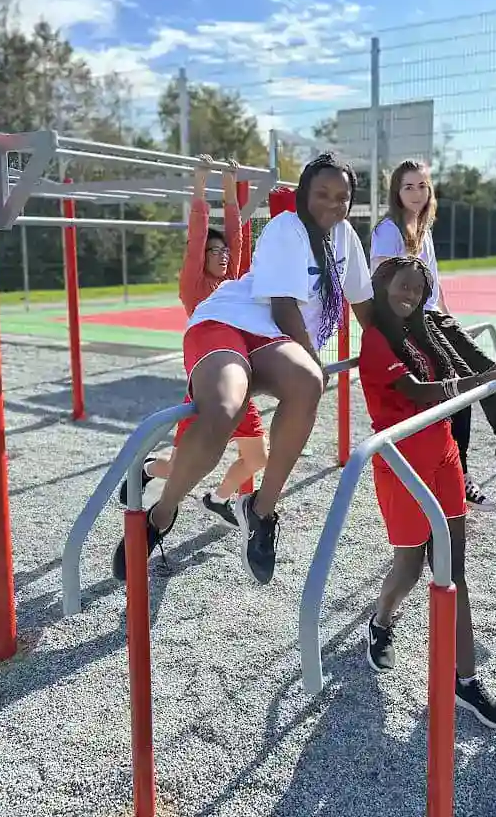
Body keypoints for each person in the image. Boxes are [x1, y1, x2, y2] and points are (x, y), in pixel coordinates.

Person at [112, 153, 373, 586]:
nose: (331, 203)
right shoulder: (285, 228)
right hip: (229, 323)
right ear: (305, 193)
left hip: (270, 338)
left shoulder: (345, 238)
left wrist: (401, 351)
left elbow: (365, 304)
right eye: (322, 193)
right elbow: (285, 309)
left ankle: (261, 509)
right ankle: (160, 514)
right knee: (226, 406)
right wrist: (311, 353)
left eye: (342, 197)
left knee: (307, 383)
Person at [358, 256, 496, 727]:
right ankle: (382, 620)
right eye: (401, 286)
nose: (409, 295)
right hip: (401, 460)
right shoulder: (376, 339)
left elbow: (458, 370)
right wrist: (485, 381)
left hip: (442, 451)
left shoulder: (422, 333)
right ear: (381, 287)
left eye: (417, 288)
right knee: (411, 566)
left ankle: (465, 680)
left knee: (452, 569)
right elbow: (417, 391)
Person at [371, 160, 496, 511]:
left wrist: (449, 319)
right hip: (414, 320)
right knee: (462, 385)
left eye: (422, 186)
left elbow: (433, 282)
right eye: (408, 187)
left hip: (435, 315)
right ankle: (461, 477)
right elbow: (383, 283)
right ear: (397, 192)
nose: (416, 193)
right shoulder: (389, 229)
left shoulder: (424, 227)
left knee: (488, 370)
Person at [117, 155, 269, 527]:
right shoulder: (195, 286)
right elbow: (198, 233)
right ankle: (147, 468)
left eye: (224, 253)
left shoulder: (230, 285)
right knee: (183, 464)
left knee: (258, 458)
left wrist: (230, 185)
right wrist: (201, 183)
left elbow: (238, 237)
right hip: (206, 384)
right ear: (200, 258)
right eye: (213, 252)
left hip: (237, 382)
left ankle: (217, 499)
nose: (223, 255)